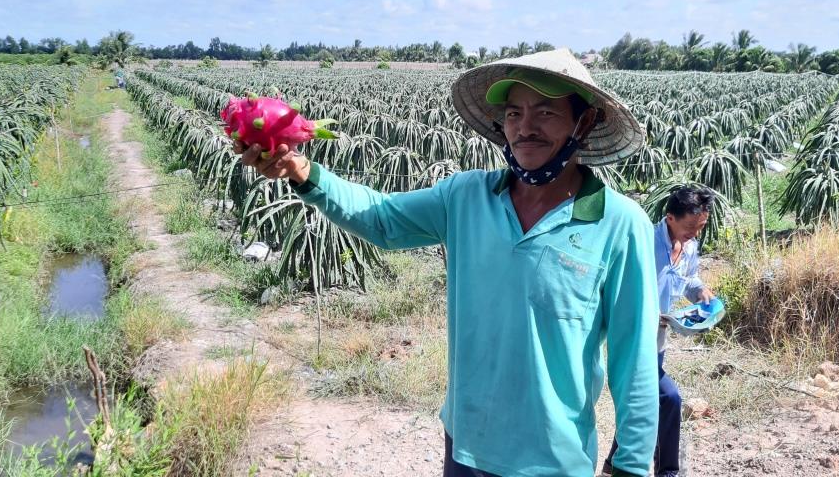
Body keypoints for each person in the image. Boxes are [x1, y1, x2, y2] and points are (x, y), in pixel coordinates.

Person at [237, 48, 662, 476]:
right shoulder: (465, 197)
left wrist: (629, 465)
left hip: (553, 459)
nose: (525, 128)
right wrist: (302, 171)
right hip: (466, 446)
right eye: (514, 113)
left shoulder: (620, 225)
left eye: (546, 112)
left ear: (584, 123)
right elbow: (383, 219)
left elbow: (635, 359)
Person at [602, 185, 716, 477]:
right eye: (690, 226)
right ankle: (668, 471)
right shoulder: (644, 243)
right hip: (635, 339)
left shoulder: (690, 247)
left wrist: (700, 290)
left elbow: (689, 280)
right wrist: (647, 314)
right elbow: (623, 287)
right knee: (669, 399)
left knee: (640, 405)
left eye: (700, 227)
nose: (695, 233)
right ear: (670, 218)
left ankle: (612, 464)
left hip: (659, 341)